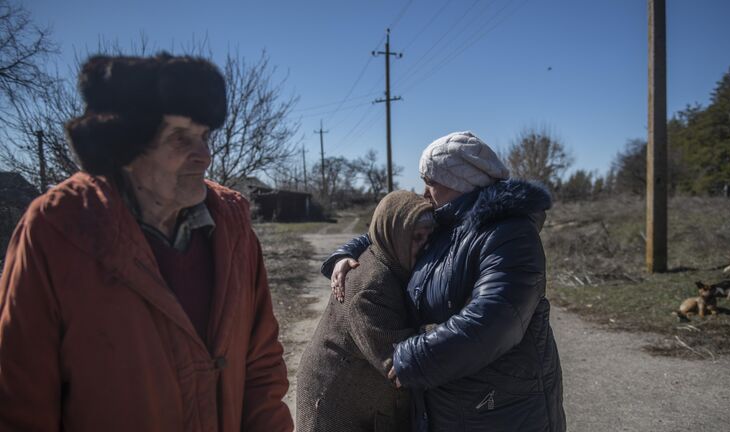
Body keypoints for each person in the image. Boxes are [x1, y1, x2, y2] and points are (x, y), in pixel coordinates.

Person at [0, 53, 292, 431]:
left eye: (204, 136)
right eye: (180, 138)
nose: (204, 155)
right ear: (127, 147)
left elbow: (262, 370)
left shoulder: (232, 225)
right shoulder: (57, 230)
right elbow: (20, 405)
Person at [323, 131, 565, 432]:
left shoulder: (509, 235)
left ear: (459, 181)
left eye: (431, 182)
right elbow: (388, 231)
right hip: (454, 405)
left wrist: (415, 359)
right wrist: (344, 255)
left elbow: (496, 318)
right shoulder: (448, 224)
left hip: (501, 408)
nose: (425, 192)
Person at [297, 190, 434, 432]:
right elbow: (398, 362)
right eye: (417, 238)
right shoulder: (373, 287)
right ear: (395, 235)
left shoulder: (391, 261)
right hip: (335, 406)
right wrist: (450, 331)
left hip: (361, 400)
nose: (425, 247)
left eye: (428, 237)